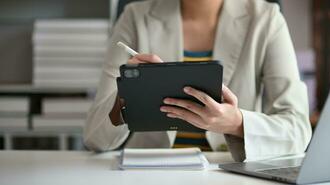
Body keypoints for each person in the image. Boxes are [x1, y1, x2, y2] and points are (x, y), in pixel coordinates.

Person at [84, 0, 312, 162]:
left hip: (230, 178)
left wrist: (237, 123)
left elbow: (297, 130)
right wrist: (126, 94)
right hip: (148, 176)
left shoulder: (267, 19)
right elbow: (95, 139)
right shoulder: (135, 17)